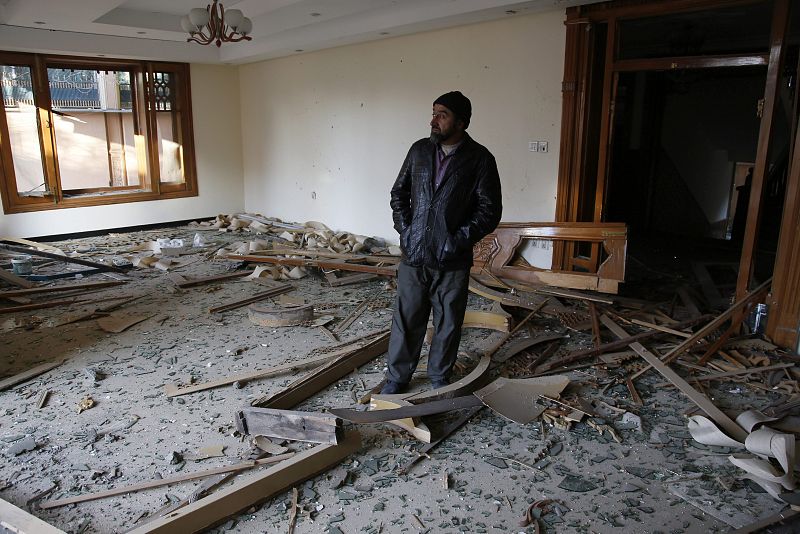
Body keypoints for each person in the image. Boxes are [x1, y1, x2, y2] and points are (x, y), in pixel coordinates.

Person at [382, 91, 502, 395]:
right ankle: (398, 379)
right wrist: (406, 230)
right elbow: (399, 194)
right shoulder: (419, 151)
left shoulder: (480, 159)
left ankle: (438, 378)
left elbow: (489, 211)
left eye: (442, 115)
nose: (433, 120)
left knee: (448, 322)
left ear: (461, 122)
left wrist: (456, 240)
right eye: (433, 113)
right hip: (414, 254)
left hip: (452, 260)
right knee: (407, 319)